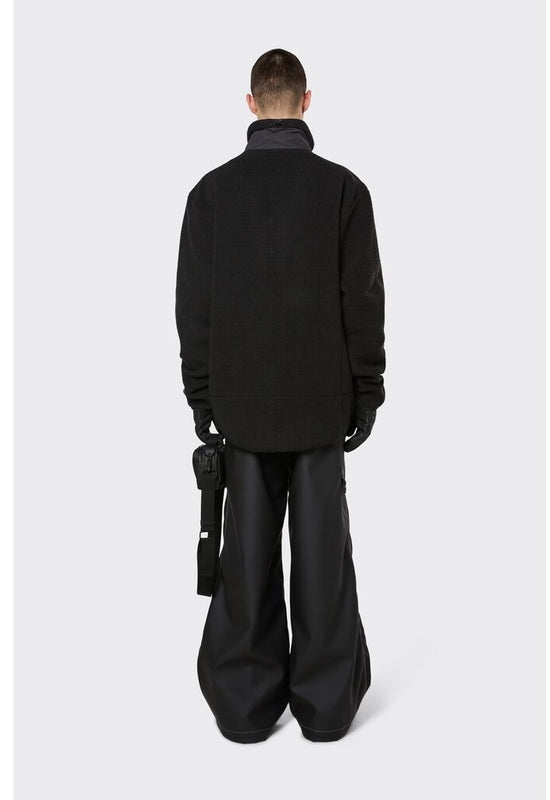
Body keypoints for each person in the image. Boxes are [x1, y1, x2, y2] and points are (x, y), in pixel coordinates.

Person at [174, 48, 386, 743]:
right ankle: (325, 712)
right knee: (323, 564)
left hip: (242, 411)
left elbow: (194, 309)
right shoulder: (344, 191)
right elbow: (363, 301)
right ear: (306, 101)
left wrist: (202, 399)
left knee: (245, 564)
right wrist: (366, 391)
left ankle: (244, 709)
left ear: (250, 105)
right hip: (321, 408)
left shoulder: (210, 195)